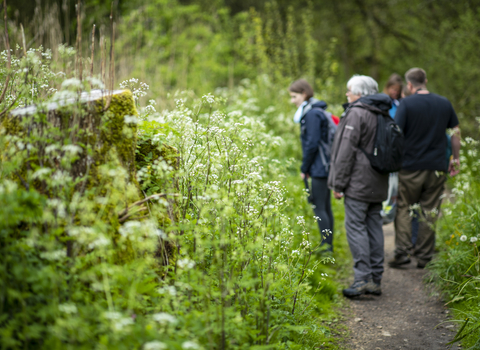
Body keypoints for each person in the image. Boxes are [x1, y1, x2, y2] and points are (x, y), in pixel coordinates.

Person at [389, 68, 461, 269]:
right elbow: (455, 132)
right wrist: (455, 159)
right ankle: (424, 256)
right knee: (429, 210)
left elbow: (396, 133)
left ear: (409, 85)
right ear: (426, 81)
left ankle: (402, 252)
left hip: (410, 166)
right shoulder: (444, 103)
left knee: (404, 207)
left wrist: (392, 161)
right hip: (437, 166)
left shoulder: (406, 104)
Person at [328, 75, 390, 297]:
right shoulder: (382, 112)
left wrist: (338, 183)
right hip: (378, 180)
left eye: (349, 91)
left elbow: (345, 152)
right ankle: (375, 279)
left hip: (358, 182)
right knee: (374, 226)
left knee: (356, 227)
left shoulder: (356, 112)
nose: (347, 94)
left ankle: (362, 279)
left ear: (360, 93)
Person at [289, 79, 334, 251]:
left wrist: (304, 167)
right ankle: (328, 247)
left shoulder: (312, 114)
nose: (292, 101)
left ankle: (326, 248)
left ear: (304, 94)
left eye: (294, 97)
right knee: (325, 207)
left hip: (319, 167)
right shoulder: (316, 110)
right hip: (323, 165)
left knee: (319, 207)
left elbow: (312, 143)